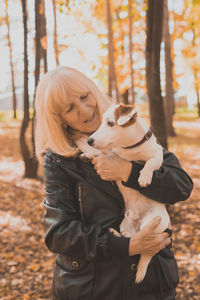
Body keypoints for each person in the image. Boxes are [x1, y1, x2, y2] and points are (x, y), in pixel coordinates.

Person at [35, 66, 193, 300]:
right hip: (95, 288)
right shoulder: (59, 161)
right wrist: (127, 246)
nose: (84, 109)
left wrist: (129, 171)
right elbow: (59, 234)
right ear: (61, 120)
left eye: (84, 96)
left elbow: (181, 186)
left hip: (151, 285)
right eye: (70, 108)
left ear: (93, 91)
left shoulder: (128, 129)